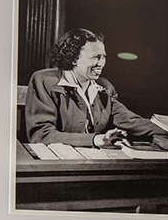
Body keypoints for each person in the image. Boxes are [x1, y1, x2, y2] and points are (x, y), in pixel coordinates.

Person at [24, 28, 158, 147]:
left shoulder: (104, 87)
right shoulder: (44, 81)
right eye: (96, 57)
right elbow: (41, 135)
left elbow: (130, 121)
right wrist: (95, 140)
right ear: (73, 59)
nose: (101, 63)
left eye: (104, 57)